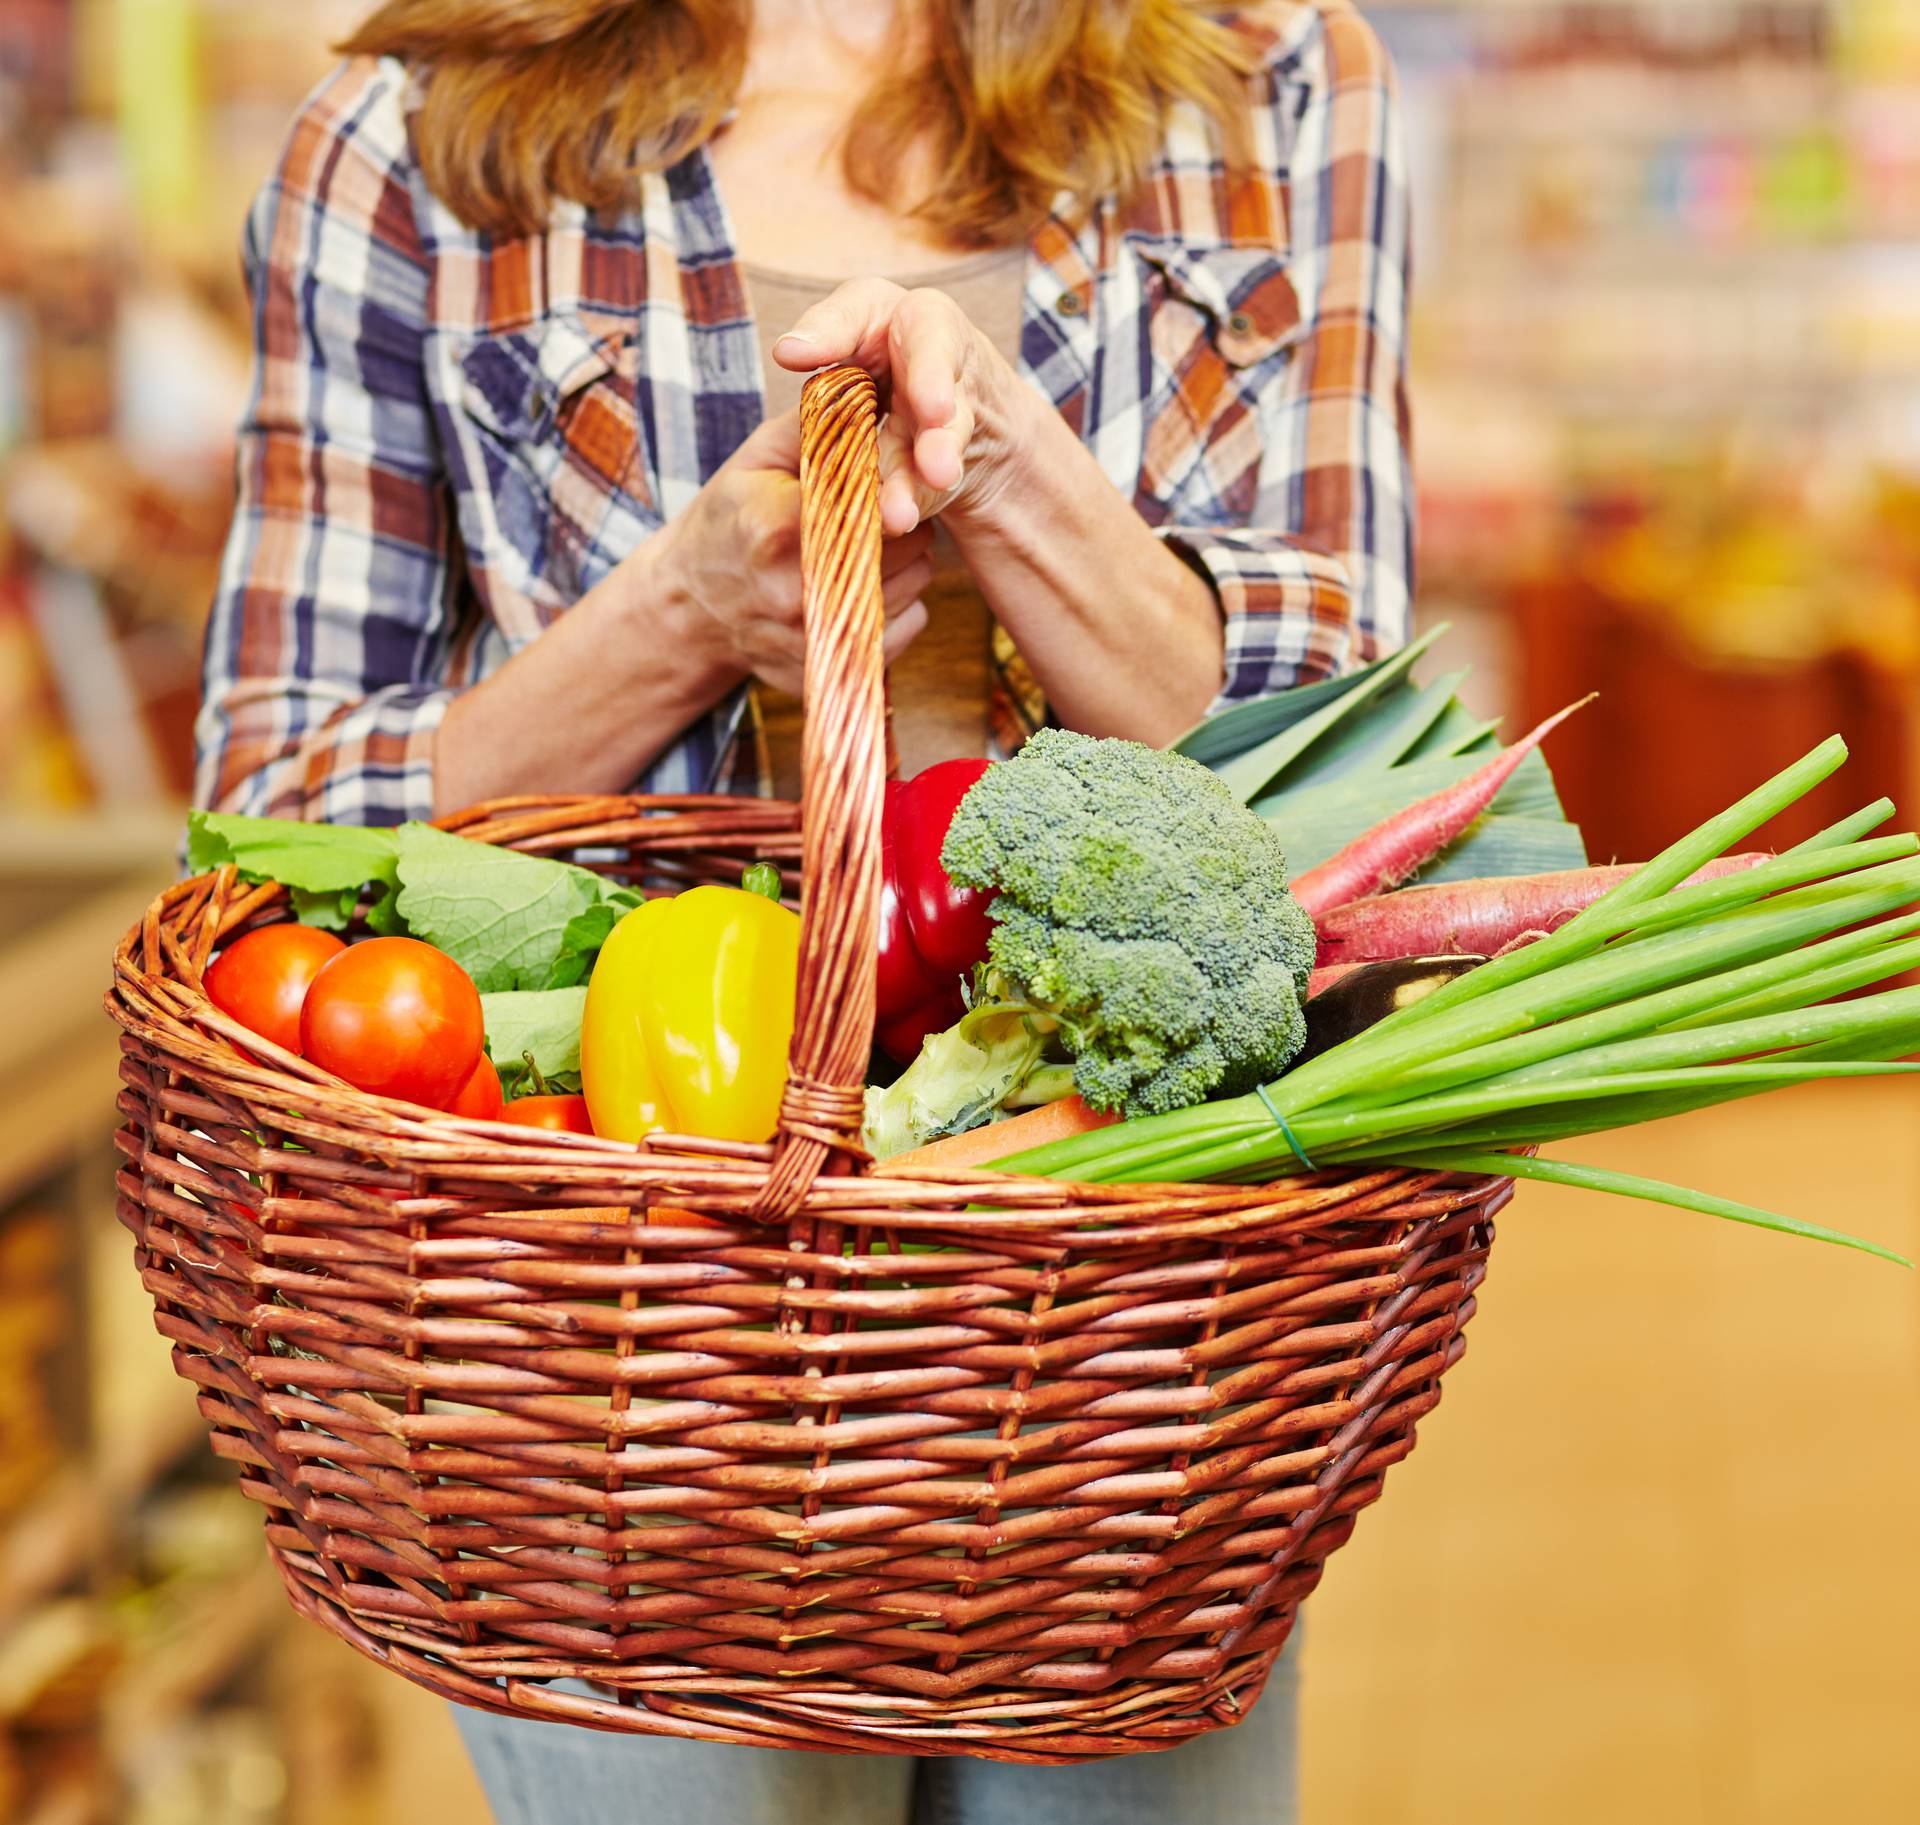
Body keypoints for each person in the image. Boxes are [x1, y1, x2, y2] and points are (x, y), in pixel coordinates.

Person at [194, 1, 1411, 1818]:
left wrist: (1012, 474)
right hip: (624, 1336)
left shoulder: (1267, 77)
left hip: (1120, 1303)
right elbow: (271, 822)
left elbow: (1352, 772)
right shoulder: (410, 139)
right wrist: (677, 611)